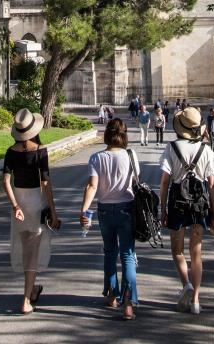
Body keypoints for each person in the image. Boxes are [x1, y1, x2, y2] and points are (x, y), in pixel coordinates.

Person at [159, 107, 214, 315]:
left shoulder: (172, 148)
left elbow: (165, 183)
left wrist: (162, 209)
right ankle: (195, 301)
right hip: (199, 203)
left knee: (177, 251)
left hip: (177, 200)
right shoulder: (207, 150)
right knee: (196, 254)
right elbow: (212, 185)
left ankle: (186, 284)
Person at [2, 108, 62, 315]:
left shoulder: (11, 152)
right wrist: (53, 211)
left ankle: (33, 288)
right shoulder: (40, 151)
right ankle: (26, 300)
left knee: (27, 249)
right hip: (36, 201)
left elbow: (5, 181)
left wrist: (15, 205)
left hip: (19, 201)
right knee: (32, 254)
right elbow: (45, 182)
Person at [80, 118, 140, 320]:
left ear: (107, 134)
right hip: (126, 208)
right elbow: (135, 183)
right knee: (127, 254)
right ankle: (129, 302)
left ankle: (112, 294)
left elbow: (92, 186)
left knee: (109, 252)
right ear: (124, 135)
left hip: (105, 209)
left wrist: (84, 210)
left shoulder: (97, 158)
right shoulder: (131, 156)